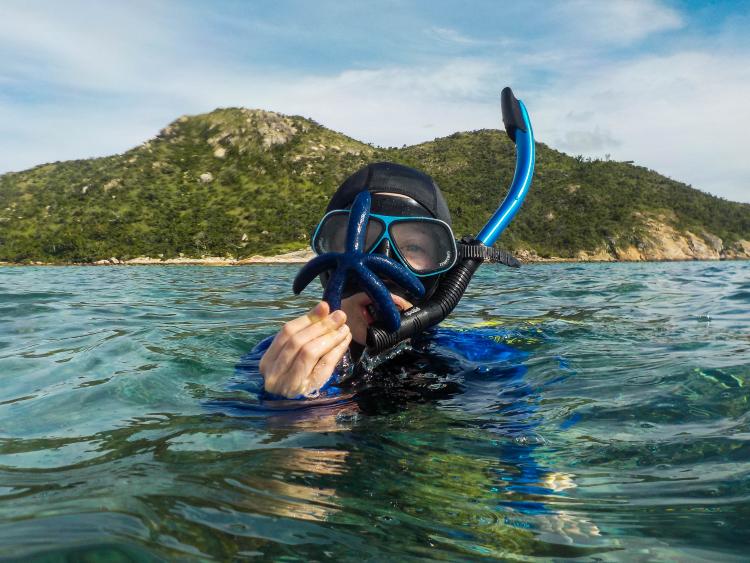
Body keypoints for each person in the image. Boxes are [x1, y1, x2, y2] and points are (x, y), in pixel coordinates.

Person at [259, 161, 471, 399]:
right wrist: (290, 409)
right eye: (361, 241)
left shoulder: (473, 355)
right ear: (327, 261)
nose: (384, 268)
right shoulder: (276, 360)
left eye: (413, 247)